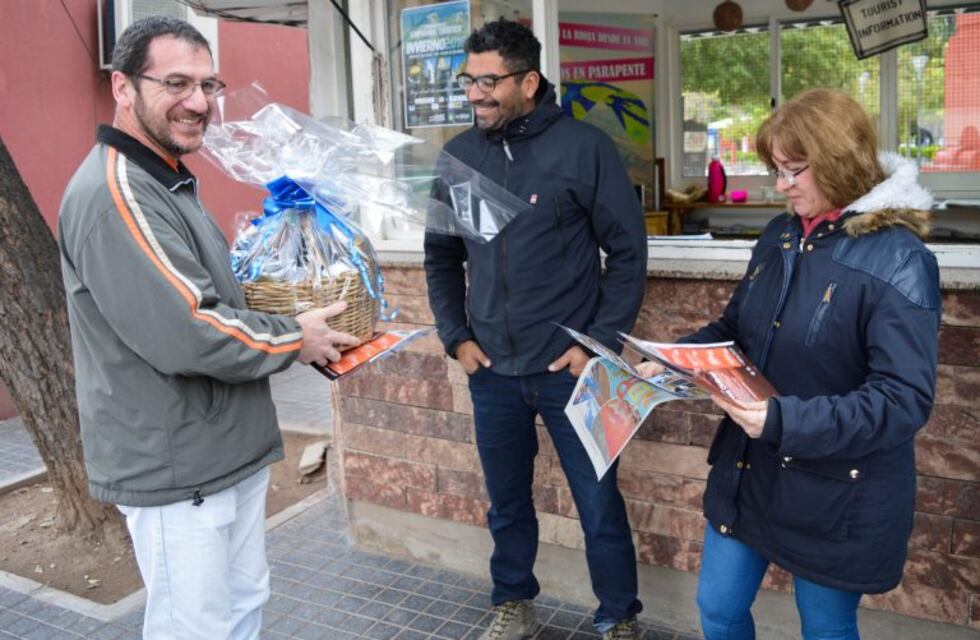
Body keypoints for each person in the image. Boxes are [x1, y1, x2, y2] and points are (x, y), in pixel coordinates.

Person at [58, 17, 359, 640]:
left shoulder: (167, 179)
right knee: (194, 627)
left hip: (223, 449)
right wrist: (292, 337)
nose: (199, 102)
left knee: (242, 605)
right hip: (176, 464)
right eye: (176, 83)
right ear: (122, 86)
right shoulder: (121, 192)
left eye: (208, 84)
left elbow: (214, 297)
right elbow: (187, 328)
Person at [638, 89, 941, 639]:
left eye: (795, 169)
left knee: (824, 626)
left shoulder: (899, 257)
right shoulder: (780, 236)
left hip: (835, 486)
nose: (781, 185)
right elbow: (736, 332)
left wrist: (784, 421)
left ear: (839, 161)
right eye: (775, 169)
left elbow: (903, 400)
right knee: (719, 608)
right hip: (752, 468)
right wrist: (672, 360)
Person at [424, 18, 648, 640]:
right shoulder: (461, 156)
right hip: (492, 370)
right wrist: (457, 338)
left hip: (569, 371)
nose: (475, 94)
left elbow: (628, 254)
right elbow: (443, 256)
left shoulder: (584, 149)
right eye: (468, 81)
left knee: (599, 504)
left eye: (488, 81)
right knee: (507, 503)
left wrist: (592, 345)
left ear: (529, 80)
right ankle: (513, 601)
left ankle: (618, 616)